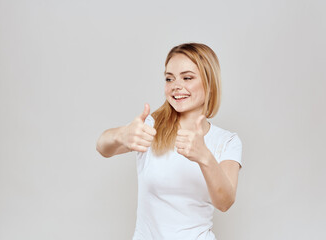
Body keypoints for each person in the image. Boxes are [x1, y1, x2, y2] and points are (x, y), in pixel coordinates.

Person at [96, 42, 243, 240]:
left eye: (187, 77)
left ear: (209, 81)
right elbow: (103, 147)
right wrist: (121, 134)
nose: (176, 86)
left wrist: (204, 157)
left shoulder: (227, 141)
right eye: (169, 78)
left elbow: (224, 202)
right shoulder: (152, 126)